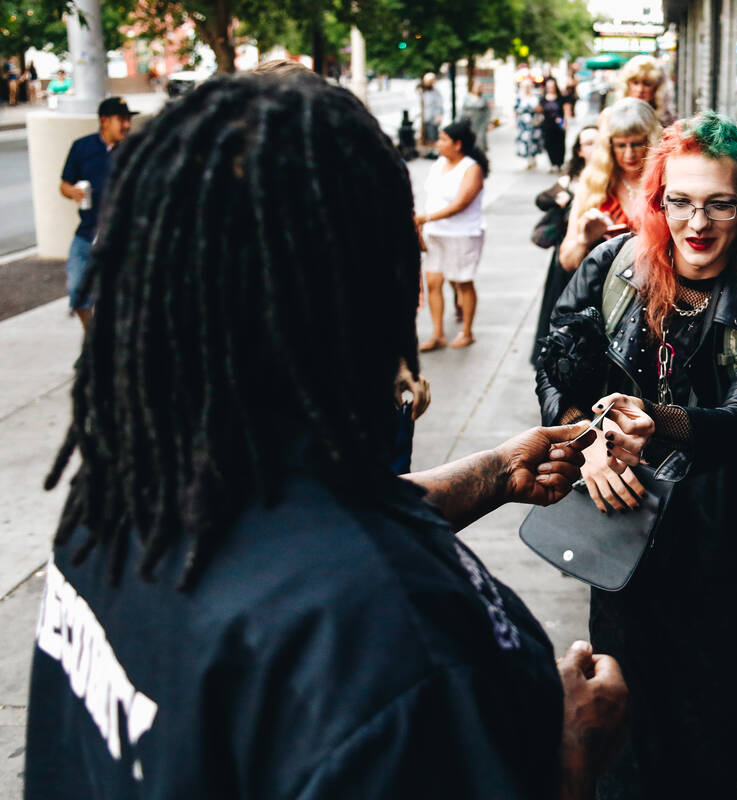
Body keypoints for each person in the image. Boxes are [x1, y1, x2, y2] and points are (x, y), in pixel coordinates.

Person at [26, 72, 641, 800]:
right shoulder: (396, 653)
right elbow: (330, 576)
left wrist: (493, 473)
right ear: (379, 285)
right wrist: (572, 753)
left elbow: (295, 545)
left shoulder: (128, 495)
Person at [535, 111, 737, 798]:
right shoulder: (612, 268)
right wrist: (589, 444)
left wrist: (654, 423)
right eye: (682, 201)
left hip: (713, 550)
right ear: (657, 200)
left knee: (706, 737)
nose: (699, 223)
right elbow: (554, 370)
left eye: (720, 202)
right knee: (620, 727)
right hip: (617, 538)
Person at [58, 96, 135, 329]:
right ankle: (93, 340)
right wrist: (73, 192)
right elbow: (64, 184)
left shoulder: (134, 151)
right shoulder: (82, 147)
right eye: (121, 120)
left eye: (128, 120)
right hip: (87, 234)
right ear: (104, 121)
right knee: (78, 290)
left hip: (122, 237)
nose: (127, 125)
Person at [557, 98, 660, 273]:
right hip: (607, 292)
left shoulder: (666, 181)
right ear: (609, 146)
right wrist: (585, 240)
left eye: (636, 144)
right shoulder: (594, 184)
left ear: (651, 141)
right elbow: (566, 260)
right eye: (621, 145)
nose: (629, 154)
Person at [414, 120, 487, 351]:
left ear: (457, 144)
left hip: (462, 233)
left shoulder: (471, 168)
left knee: (462, 281)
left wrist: (425, 218)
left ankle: (467, 331)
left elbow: (461, 203)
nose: (438, 143)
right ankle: (438, 334)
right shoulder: (438, 164)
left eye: (443, 139)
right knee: (434, 282)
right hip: (436, 233)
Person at [531, 124, 599, 363]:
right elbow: (541, 199)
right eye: (588, 143)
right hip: (569, 252)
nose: (595, 147)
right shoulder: (571, 178)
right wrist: (559, 197)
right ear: (579, 151)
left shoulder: (609, 177)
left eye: (599, 141)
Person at [616, 55, 672, 126]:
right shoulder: (611, 115)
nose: (640, 90)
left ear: (657, 87)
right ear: (627, 84)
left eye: (647, 84)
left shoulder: (668, 119)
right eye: (635, 83)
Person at [539, 76, 567, 172]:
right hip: (547, 125)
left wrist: (565, 123)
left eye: (552, 86)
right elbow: (539, 111)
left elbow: (566, 111)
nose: (551, 88)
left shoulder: (561, 98)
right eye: (549, 87)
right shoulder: (543, 99)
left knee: (560, 144)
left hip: (559, 125)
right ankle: (552, 163)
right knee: (549, 144)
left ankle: (559, 163)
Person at [515, 78, 543, 170]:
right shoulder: (519, 98)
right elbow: (515, 110)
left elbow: (539, 109)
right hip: (523, 124)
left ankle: (533, 159)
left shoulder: (535, 97)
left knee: (534, 141)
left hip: (534, 122)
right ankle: (528, 160)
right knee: (525, 141)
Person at [460, 80, 491, 153]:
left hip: (480, 125)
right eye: (477, 86)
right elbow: (462, 111)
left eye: (480, 87)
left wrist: (489, 123)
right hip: (469, 124)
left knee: (480, 144)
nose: (478, 88)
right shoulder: (467, 97)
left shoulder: (483, 99)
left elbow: (487, 112)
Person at [418, 71, 443, 149]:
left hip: (432, 118)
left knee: (433, 136)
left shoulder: (436, 93)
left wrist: (439, 116)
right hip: (423, 118)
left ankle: (433, 151)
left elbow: (439, 105)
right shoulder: (421, 91)